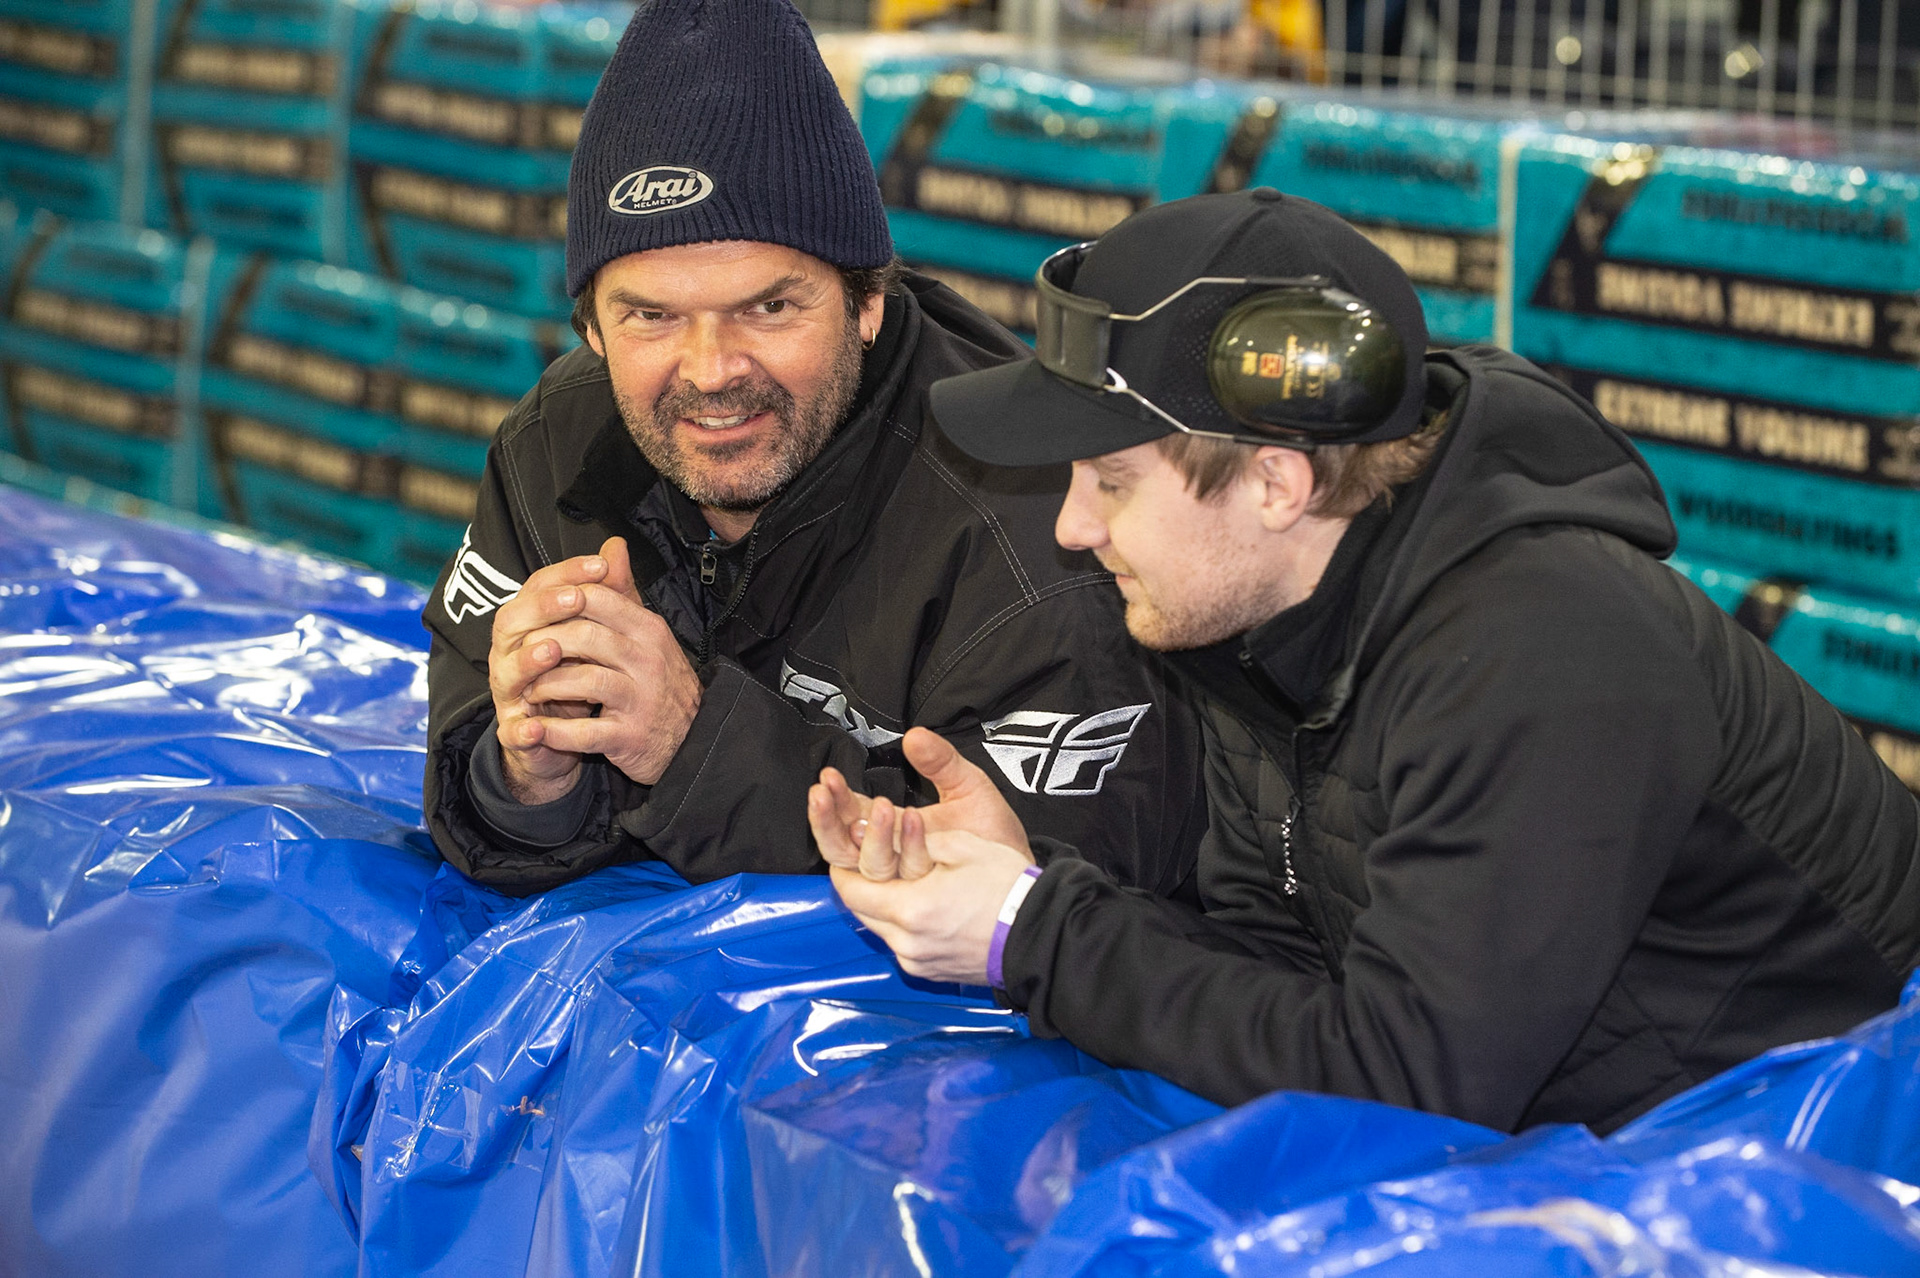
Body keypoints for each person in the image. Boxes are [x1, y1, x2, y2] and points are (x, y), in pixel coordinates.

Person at [812, 188, 1920, 1134]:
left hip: (1816, 1176)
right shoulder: (1261, 614)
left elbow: (1412, 1082)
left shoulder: (1545, 650)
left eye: (1110, 481)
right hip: (1606, 1141)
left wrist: (1032, 934)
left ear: (1275, 485)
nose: (1072, 528)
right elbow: (1275, 959)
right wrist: (1032, 885)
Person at [421, 0, 1205, 896]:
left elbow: (1058, 898)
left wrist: (691, 743)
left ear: (868, 301)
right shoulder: (555, 445)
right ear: (593, 329)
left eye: (769, 307)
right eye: (652, 316)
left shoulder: (1036, 533)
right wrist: (529, 780)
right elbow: (469, 763)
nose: (711, 372)